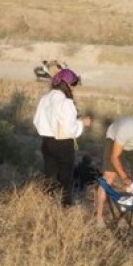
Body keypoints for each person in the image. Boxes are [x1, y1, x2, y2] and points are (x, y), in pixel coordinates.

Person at [32, 68, 89, 206]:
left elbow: (36, 121)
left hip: (46, 142)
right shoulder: (66, 103)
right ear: (67, 85)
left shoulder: (45, 99)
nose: (74, 88)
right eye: (73, 84)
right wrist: (82, 123)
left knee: (49, 175)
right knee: (65, 178)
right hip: (63, 144)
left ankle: (47, 203)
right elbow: (70, 129)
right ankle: (65, 206)